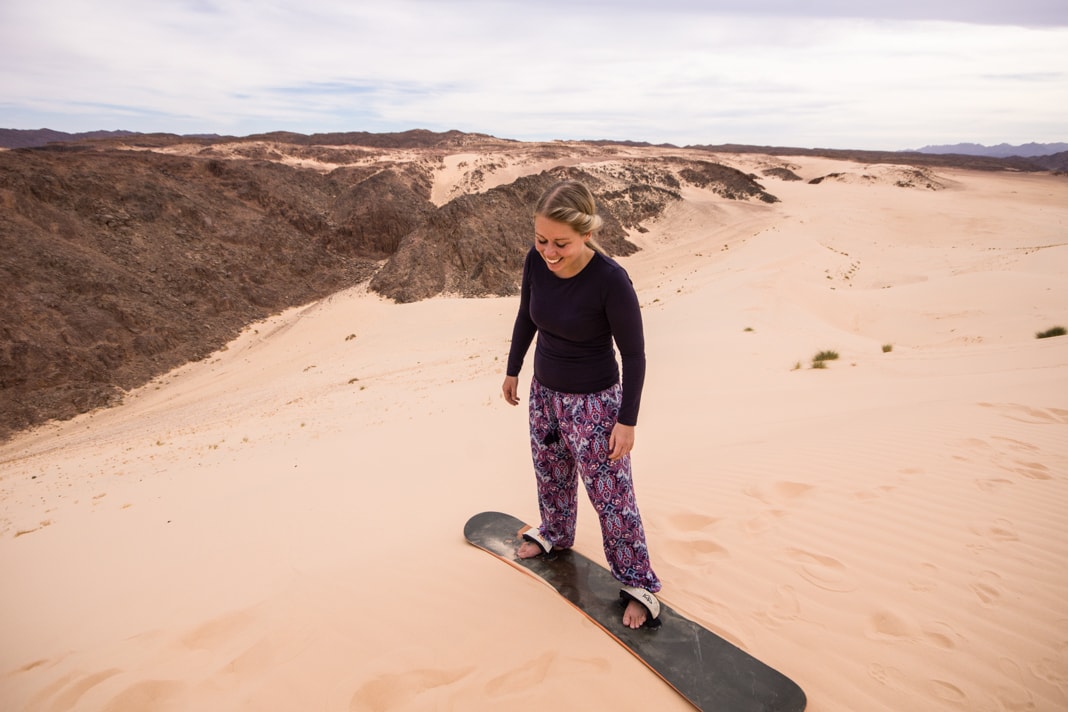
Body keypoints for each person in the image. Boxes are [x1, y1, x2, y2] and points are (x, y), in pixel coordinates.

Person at [501, 179, 662, 629]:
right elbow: (524, 315)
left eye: (561, 243)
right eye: (541, 239)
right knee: (550, 472)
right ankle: (554, 534)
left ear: (587, 233)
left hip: (594, 404)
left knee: (612, 497)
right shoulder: (535, 261)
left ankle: (639, 583)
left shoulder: (611, 281)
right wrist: (514, 368)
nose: (549, 252)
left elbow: (635, 354)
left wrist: (626, 420)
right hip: (545, 394)